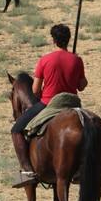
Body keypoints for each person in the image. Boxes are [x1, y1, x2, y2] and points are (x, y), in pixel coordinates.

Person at [11, 24, 87, 187]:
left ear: (53, 40)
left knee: (16, 130)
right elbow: (82, 85)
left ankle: (27, 172)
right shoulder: (77, 60)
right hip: (73, 104)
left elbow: (35, 89)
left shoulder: (45, 60)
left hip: (49, 103)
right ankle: (81, 168)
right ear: (68, 40)